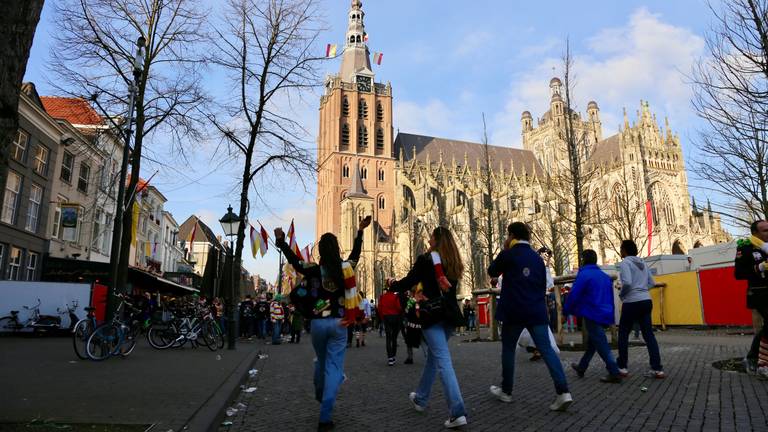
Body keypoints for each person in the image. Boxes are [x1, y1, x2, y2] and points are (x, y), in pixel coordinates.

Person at [274, 215, 371, 431]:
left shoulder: (314, 269)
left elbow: (295, 261)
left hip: (318, 323)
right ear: (336, 249)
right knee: (335, 366)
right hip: (340, 323)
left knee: (321, 359)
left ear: (320, 252)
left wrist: (281, 242)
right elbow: (356, 255)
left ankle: (320, 390)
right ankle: (325, 414)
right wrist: (360, 232)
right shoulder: (345, 268)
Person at [387, 226, 468, 429]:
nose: (429, 240)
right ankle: (421, 398)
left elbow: (409, 281)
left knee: (443, 361)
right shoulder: (454, 262)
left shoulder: (426, 259)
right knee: (434, 358)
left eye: (431, 237)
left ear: (437, 239)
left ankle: (457, 411)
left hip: (432, 315)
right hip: (449, 316)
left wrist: (392, 284)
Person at [487, 222, 573, 411]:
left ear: (511, 235)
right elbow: (543, 285)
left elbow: (492, 271)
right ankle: (563, 391)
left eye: (507, 236)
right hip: (536, 311)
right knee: (548, 351)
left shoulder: (508, 254)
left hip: (513, 311)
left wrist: (504, 250)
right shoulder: (537, 259)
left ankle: (507, 391)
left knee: (509, 349)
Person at [564, 249, 621, 383]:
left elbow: (573, 295)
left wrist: (566, 312)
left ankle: (614, 371)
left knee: (600, 342)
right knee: (593, 343)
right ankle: (582, 367)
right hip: (605, 312)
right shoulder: (604, 276)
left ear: (583, 260)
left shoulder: (584, 275)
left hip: (592, 312)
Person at [616, 239, 665, 379]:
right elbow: (652, 283)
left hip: (632, 301)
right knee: (649, 335)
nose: (620, 251)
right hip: (646, 300)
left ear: (625, 250)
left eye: (621, 248)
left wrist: (622, 295)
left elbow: (627, 283)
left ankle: (622, 366)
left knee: (623, 333)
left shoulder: (625, 262)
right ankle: (657, 369)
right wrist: (643, 290)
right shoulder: (643, 262)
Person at [734, 220, 768, 379]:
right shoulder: (746, 247)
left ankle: (753, 357)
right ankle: (760, 363)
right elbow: (738, 273)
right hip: (759, 293)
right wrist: (758, 268)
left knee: (765, 329)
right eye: (765, 230)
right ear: (756, 233)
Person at [378, 286, 403, 366]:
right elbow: (399, 307)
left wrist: (382, 317)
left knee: (388, 338)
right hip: (395, 317)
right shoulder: (395, 296)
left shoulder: (382, 297)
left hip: (386, 317)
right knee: (394, 338)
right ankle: (394, 355)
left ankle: (390, 358)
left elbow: (379, 308)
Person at [402, 289, 422, 365]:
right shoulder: (422, 300)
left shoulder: (411, 301)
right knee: (423, 342)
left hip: (411, 325)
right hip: (420, 324)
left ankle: (410, 358)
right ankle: (428, 356)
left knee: (409, 342)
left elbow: (406, 311)